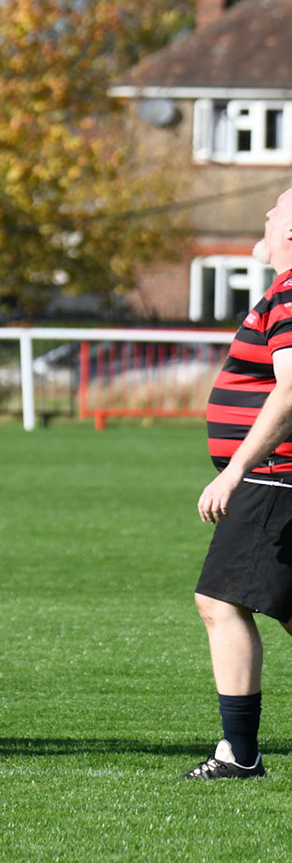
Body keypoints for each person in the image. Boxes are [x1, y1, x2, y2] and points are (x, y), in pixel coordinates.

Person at [188, 184, 292, 779]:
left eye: (274, 210)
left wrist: (237, 468)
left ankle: (238, 755)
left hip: (277, 478)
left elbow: (290, 387)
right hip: (277, 477)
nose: (267, 215)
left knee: (220, 600)